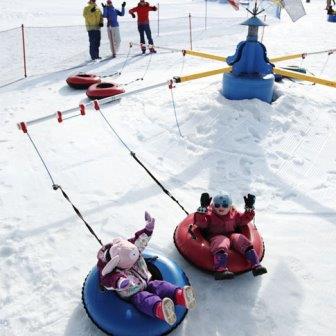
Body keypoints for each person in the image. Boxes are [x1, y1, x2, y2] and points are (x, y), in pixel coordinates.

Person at [97, 211, 196, 325]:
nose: (136, 255)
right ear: (117, 262)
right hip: (132, 293)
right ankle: (160, 310)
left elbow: (140, 241)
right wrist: (120, 282)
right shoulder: (112, 269)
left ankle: (180, 296)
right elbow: (107, 279)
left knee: (160, 285)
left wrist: (148, 228)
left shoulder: (131, 250)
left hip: (148, 281)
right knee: (144, 298)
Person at [194, 192, 267, 280]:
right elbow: (201, 224)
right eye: (217, 205)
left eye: (224, 205)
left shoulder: (234, 214)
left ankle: (255, 265)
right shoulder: (210, 215)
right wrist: (203, 209)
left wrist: (249, 209)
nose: (221, 208)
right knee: (222, 241)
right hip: (215, 237)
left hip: (231, 236)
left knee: (240, 239)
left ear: (230, 206)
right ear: (213, 206)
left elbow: (244, 220)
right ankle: (220, 269)